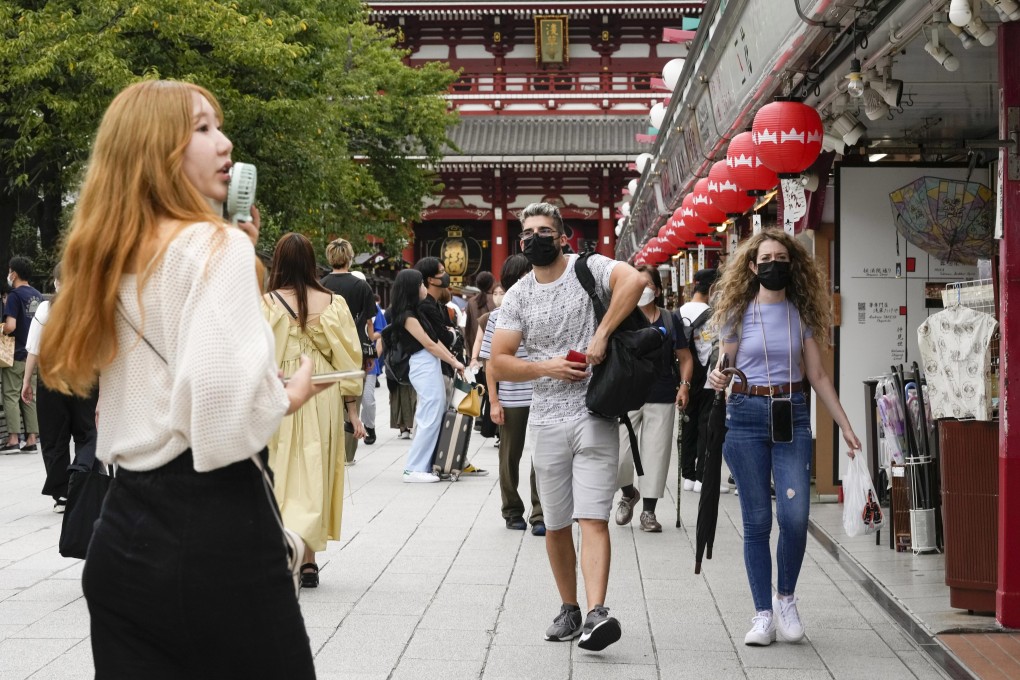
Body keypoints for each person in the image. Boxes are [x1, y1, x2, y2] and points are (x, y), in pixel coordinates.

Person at [39, 80, 331, 678]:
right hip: (213, 527)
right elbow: (223, 421)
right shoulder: (212, 245)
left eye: (217, 126)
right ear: (157, 149)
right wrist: (286, 394)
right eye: (202, 129)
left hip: (120, 529)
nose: (224, 144)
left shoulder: (108, 254)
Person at [491, 202, 645, 652]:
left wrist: (600, 336)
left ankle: (598, 612)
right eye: (528, 232)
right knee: (556, 523)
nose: (535, 238)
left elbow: (634, 280)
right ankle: (569, 607)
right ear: (520, 242)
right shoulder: (519, 293)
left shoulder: (589, 268)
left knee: (592, 516)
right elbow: (499, 361)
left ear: (563, 238)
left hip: (595, 411)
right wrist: (545, 369)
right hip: (546, 419)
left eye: (545, 231)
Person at [708, 229, 861, 647]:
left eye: (781, 257)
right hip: (745, 414)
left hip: (791, 413)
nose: (773, 263)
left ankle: (786, 598)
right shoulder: (737, 312)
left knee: (794, 519)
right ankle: (762, 615)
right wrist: (717, 376)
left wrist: (845, 426)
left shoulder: (801, 313)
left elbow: (818, 375)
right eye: (766, 258)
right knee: (757, 521)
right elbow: (724, 366)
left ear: (791, 265)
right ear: (753, 266)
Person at [263, 232, 365, 588]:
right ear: (311, 262)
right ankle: (309, 561)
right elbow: (351, 361)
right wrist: (353, 409)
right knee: (317, 467)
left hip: (282, 390)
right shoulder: (333, 303)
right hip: (322, 390)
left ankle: (281, 549)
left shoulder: (266, 303)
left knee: (280, 468)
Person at [614, 265, 694, 533]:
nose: (641, 289)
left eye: (646, 284)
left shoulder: (670, 320)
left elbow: (685, 357)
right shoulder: (622, 317)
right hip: (626, 395)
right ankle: (628, 493)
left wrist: (684, 386)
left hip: (661, 394)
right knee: (618, 455)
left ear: (657, 290)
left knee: (656, 455)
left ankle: (649, 512)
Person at [21, 263, 99, 512]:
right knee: (88, 432)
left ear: (56, 283)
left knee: (54, 437)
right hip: (86, 375)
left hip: (51, 375)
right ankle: (82, 472)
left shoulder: (46, 308)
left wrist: (26, 381)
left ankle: (62, 494)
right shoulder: (92, 308)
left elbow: (33, 349)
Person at [479, 256, 543, 534]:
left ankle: (540, 512)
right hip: (511, 394)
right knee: (509, 455)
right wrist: (494, 401)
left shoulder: (545, 309)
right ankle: (512, 509)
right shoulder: (497, 317)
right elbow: (489, 363)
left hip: (543, 393)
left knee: (543, 455)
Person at [387, 269, 465, 482]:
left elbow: (434, 341)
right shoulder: (407, 316)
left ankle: (424, 464)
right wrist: (453, 361)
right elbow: (429, 344)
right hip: (422, 364)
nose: (424, 288)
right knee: (429, 415)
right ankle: (414, 468)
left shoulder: (415, 312)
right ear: (412, 288)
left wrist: (452, 360)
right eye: (421, 284)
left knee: (432, 413)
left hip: (429, 363)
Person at [320, 239, 375, 465]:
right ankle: (348, 454)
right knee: (354, 396)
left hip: (329, 346)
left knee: (332, 398)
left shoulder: (321, 285)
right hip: (355, 347)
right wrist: (370, 353)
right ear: (350, 258)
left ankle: (331, 449)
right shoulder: (361, 286)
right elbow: (367, 320)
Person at [677, 267, 721, 493]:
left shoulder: (679, 311)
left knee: (688, 424)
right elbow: (716, 347)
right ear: (713, 288)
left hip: (685, 379)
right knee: (708, 426)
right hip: (708, 378)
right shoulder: (714, 313)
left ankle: (687, 476)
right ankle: (703, 476)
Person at [1, 256, 43, 455]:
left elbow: (11, 326)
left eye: (9, 270)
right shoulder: (38, 296)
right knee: (29, 396)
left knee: (11, 395)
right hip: (33, 354)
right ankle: (32, 439)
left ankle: (13, 438)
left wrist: (2, 330)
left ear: (14, 274)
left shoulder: (15, 296)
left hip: (16, 353)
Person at [361, 294, 385, 445]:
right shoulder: (339, 304)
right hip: (345, 359)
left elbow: (381, 333)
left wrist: (375, 355)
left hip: (368, 360)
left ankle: (369, 426)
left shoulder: (373, 308)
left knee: (368, 399)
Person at [465, 271, 495, 360]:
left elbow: (468, 329)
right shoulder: (496, 300)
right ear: (492, 283)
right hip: (493, 351)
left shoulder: (471, 302)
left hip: (477, 351)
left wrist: (470, 353)